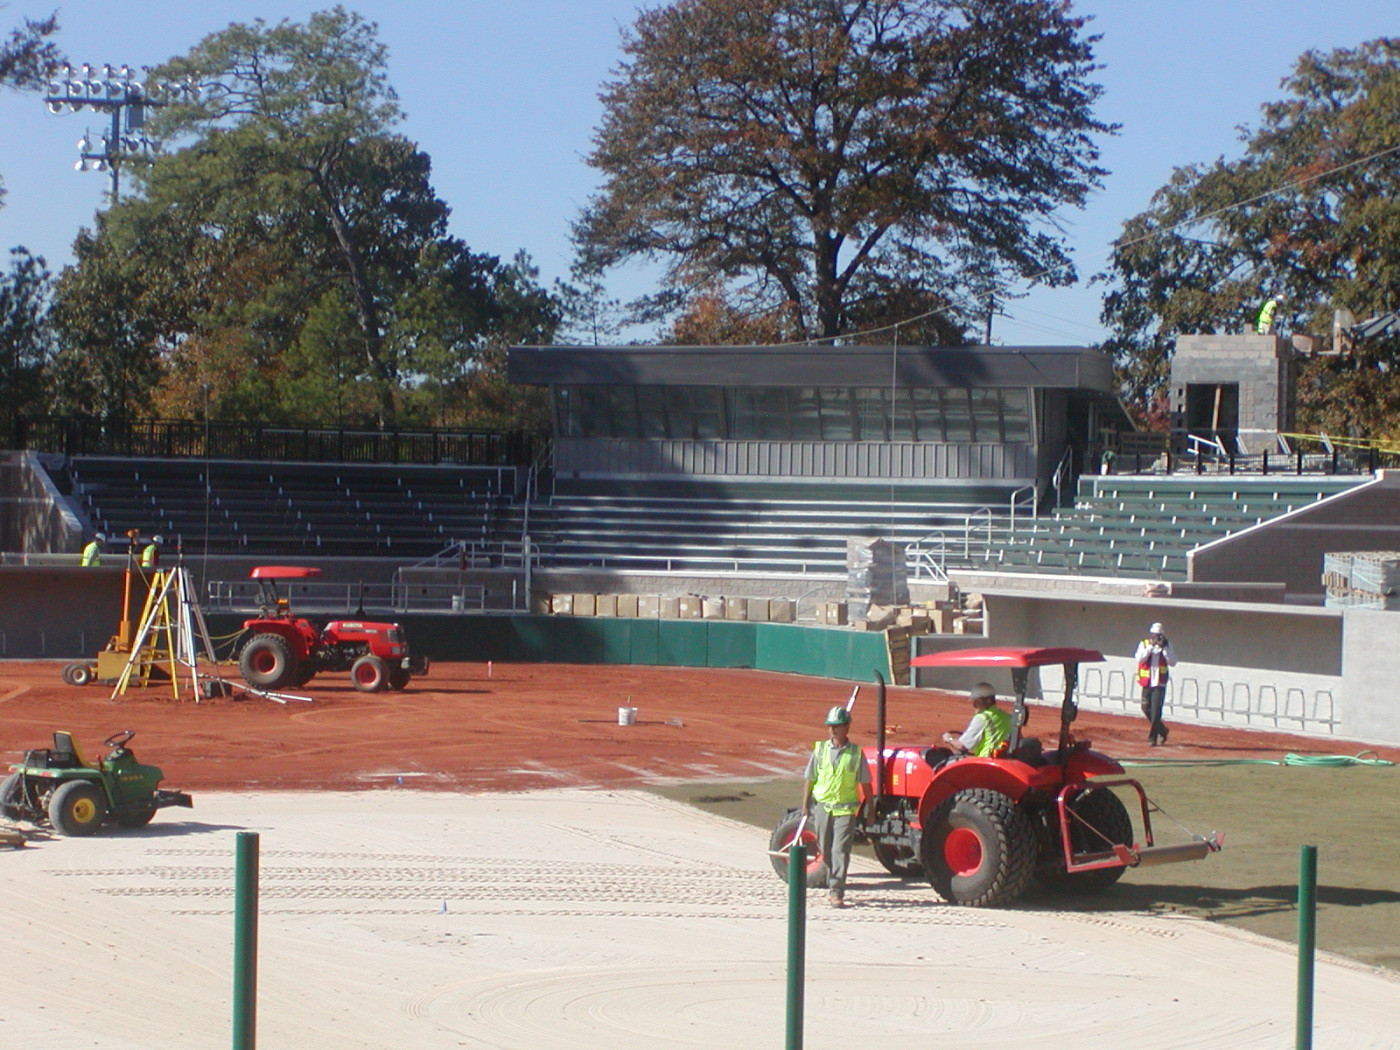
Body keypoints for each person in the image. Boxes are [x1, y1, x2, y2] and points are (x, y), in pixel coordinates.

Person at [801, 704, 870, 908]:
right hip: (823, 807)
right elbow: (810, 778)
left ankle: (836, 890)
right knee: (825, 847)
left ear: (846, 727)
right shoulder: (820, 750)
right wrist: (805, 805)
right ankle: (833, 879)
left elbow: (865, 783)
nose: (832, 730)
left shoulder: (856, 753)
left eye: (837, 726)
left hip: (845, 809)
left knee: (840, 849)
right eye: (830, 726)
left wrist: (871, 809)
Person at [939, 682, 1012, 759]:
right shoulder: (1008, 717)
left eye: (977, 701)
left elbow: (961, 746)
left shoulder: (982, 718)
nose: (974, 704)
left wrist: (949, 739)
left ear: (988, 700)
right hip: (1003, 759)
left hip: (986, 760)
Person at [1135, 622, 1178, 746]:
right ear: (1150, 635)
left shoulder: (1166, 646)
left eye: (1159, 635)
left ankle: (1152, 738)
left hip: (1160, 683)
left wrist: (1165, 649)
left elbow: (1173, 662)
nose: (1157, 638)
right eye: (1154, 635)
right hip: (1147, 682)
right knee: (1145, 708)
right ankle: (1162, 730)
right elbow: (1139, 658)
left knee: (1156, 712)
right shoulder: (1144, 644)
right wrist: (1150, 647)